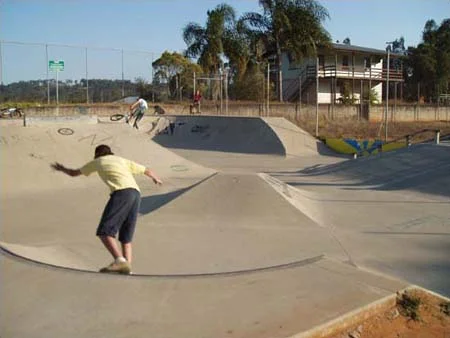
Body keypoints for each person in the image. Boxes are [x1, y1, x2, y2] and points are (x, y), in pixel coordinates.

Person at [50, 144, 163, 274]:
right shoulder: (121, 160)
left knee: (104, 231)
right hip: (136, 194)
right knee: (126, 238)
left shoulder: (98, 161)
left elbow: (74, 173)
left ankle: (120, 261)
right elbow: (146, 170)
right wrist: (156, 178)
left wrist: (61, 168)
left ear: (97, 154)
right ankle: (128, 269)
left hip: (122, 193)